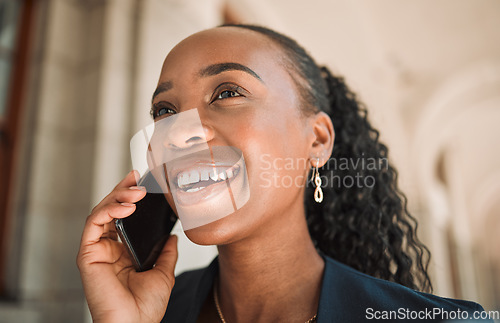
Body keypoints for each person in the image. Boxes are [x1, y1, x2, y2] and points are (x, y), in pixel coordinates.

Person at [77, 24, 492, 322]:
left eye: (226, 93)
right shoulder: (154, 311)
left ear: (317, 140)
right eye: (164, 111)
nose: (179, 133)